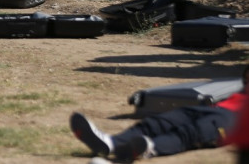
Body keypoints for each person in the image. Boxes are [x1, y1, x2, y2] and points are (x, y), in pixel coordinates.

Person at [70, 65, 249, 162]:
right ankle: (113, 143)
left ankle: (148, 148)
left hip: (235, 120)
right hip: (216, 108)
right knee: (160, 122)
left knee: (189, 134)